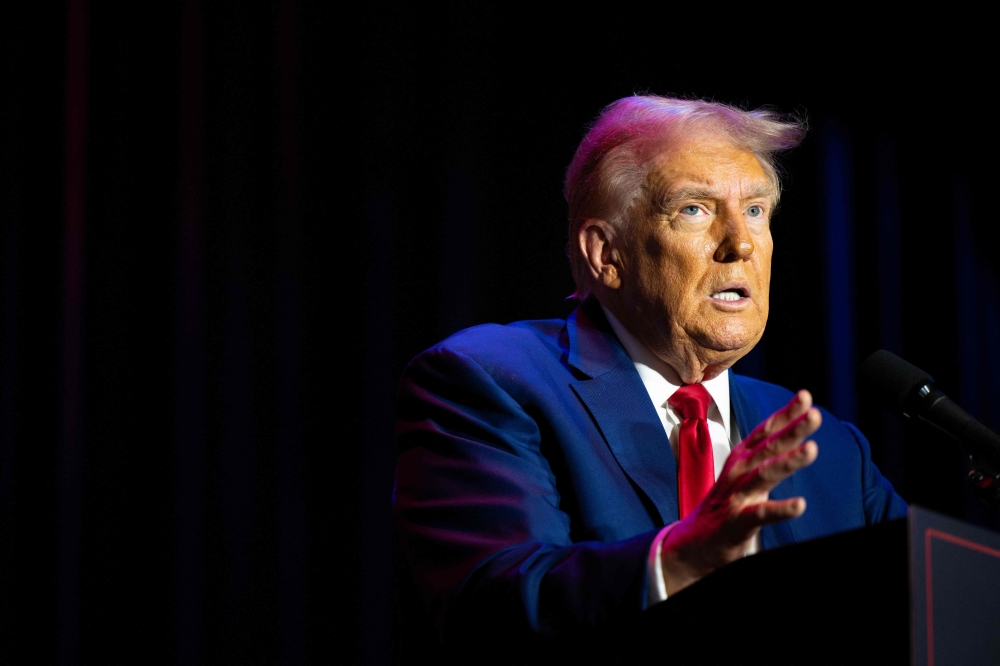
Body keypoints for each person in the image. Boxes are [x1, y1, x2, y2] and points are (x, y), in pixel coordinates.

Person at [392, 96, 907, 658]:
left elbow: (922, 608)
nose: (740, 243)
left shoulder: (827, 449)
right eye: (695, 209)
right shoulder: (492, 380)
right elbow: (491, 610)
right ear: (606, 253)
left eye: (756, 210)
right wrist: (683, 559)